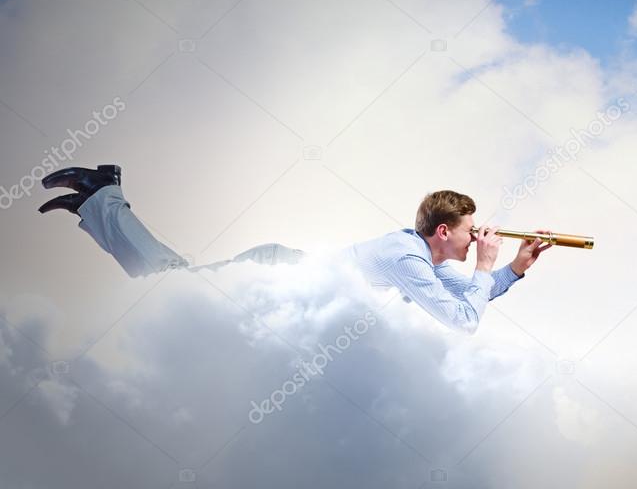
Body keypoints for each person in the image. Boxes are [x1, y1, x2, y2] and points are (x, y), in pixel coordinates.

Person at [38, 165, 551, 333]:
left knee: (167, 284)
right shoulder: (407, 259)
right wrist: (488, 264)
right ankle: (102, 192)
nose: (476, 237)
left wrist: (515, 269)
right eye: (470, 230)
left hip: (282, 282)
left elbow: (470, 297)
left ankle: (99, 197)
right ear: (443, 232)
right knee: (165, 288)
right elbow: (462, 320)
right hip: (275, 278)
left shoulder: (422, 259)